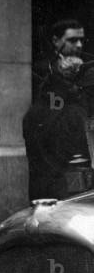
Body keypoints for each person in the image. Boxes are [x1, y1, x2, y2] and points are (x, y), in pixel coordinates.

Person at [24, 19, 94, 200]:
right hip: (54, 170)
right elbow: (38, 119)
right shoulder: (41, 72)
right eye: (72, 40)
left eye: (81, 40)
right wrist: (61, 81)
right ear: (56, 41)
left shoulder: (87, 70)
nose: (79, 45)